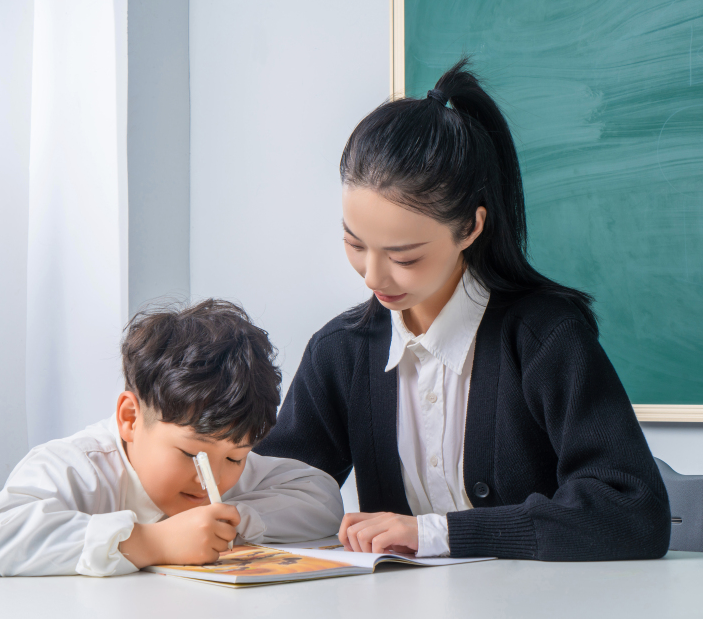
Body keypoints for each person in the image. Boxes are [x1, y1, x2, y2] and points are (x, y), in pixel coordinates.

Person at [255, 59, 671, 561]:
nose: (372, 277)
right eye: (354, 243)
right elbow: (275, 488)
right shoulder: (341, 351)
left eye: (404, 256)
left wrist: (435, 534)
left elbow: (633, 512)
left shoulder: (545, 338)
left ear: (471, 228)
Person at [0, 299, 343, 579]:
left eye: (235, 458)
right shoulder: (77, 466)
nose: (211, 479)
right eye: (191, 455)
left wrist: (236, 521)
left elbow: (322, 497)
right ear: (130, 418)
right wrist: (150, 542)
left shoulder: (223, 453)